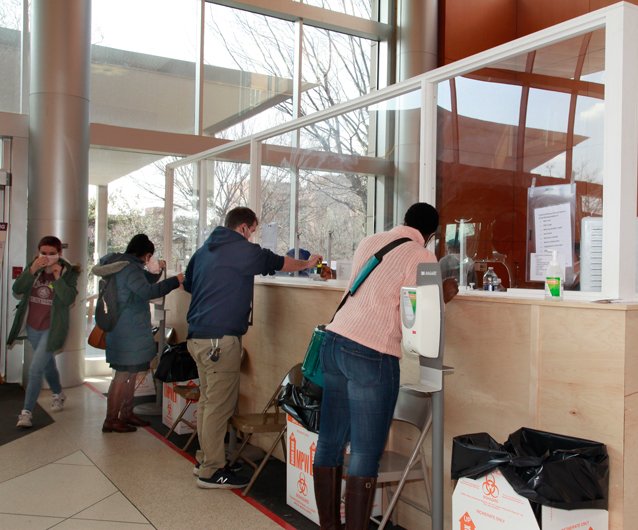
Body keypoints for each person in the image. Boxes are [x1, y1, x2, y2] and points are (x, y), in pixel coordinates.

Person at [313, 202, 458, 530]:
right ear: (431, 236)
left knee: (330, 441)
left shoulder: (371, 241)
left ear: (405, 221)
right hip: (371, 353)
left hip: (334, 341)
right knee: (365, 453)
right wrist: (445, 293)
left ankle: (328, 527)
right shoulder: (421, 255)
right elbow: (425, 315)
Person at [183, 206, 321, 489]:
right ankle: (211, 471)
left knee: (209, 404)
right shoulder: (240, 249)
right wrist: (308, 265)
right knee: (219, 407)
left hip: (198, 337)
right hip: (219, 342)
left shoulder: (204, 250)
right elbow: (278, 262)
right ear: (243, 227)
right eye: (253, 230)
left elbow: (189, 283)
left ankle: (204, 461)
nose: (253, 236)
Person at [94, 234, 184, 433]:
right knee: (122, 375)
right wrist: (174, 281)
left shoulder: (122, 265)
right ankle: (111, 419)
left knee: (131, 374)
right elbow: (147, 292)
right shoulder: (129, 268)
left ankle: (126, 414)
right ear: (146, 254)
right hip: (128, 329)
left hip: (123, 328)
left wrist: (155, 272)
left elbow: (141, 285)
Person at [8, 236, 80, 428]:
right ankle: (59, 393)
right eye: (43, 253)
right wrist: (32, 270)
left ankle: (26, 413)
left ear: (60, 254)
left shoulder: (69, 272)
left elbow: (68, 299)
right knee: (47, 364)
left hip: (52, 328)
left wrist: (57, 278)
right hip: (32, 326)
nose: (47, 257)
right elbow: (17, 288)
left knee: (35, 369)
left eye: (52, 254)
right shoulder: (33, 267)